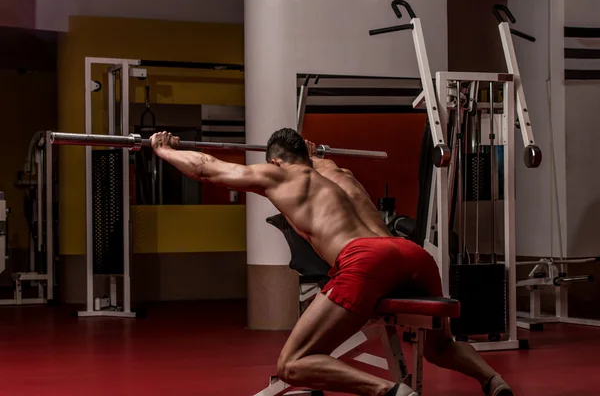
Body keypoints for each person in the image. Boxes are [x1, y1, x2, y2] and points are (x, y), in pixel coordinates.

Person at [150, 128, 513, 396]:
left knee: (291, 364)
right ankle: (493, 380)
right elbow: (318, 162)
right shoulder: (338, 173)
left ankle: (389, 392)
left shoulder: (282, 173)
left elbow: (206, 168)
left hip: (366, 260)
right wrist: (314, 153)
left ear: (276, 160)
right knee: (440, 346)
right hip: (412, 254)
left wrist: (164, 149)